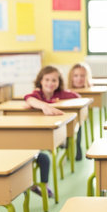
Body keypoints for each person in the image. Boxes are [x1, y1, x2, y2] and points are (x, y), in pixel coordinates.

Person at [24, 65, 81, 197]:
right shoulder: (37, 94)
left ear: (59, 82)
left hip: (55, 134)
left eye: (54, 80)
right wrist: (43, 105)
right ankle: (39, 186)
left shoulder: (60, 94)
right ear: (40, 81)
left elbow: (77, 97)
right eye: (47, 79)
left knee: (46, 157)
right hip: (36, 136)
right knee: (44, 158)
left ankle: (44, 186)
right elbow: (29, 98)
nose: (50, 83)